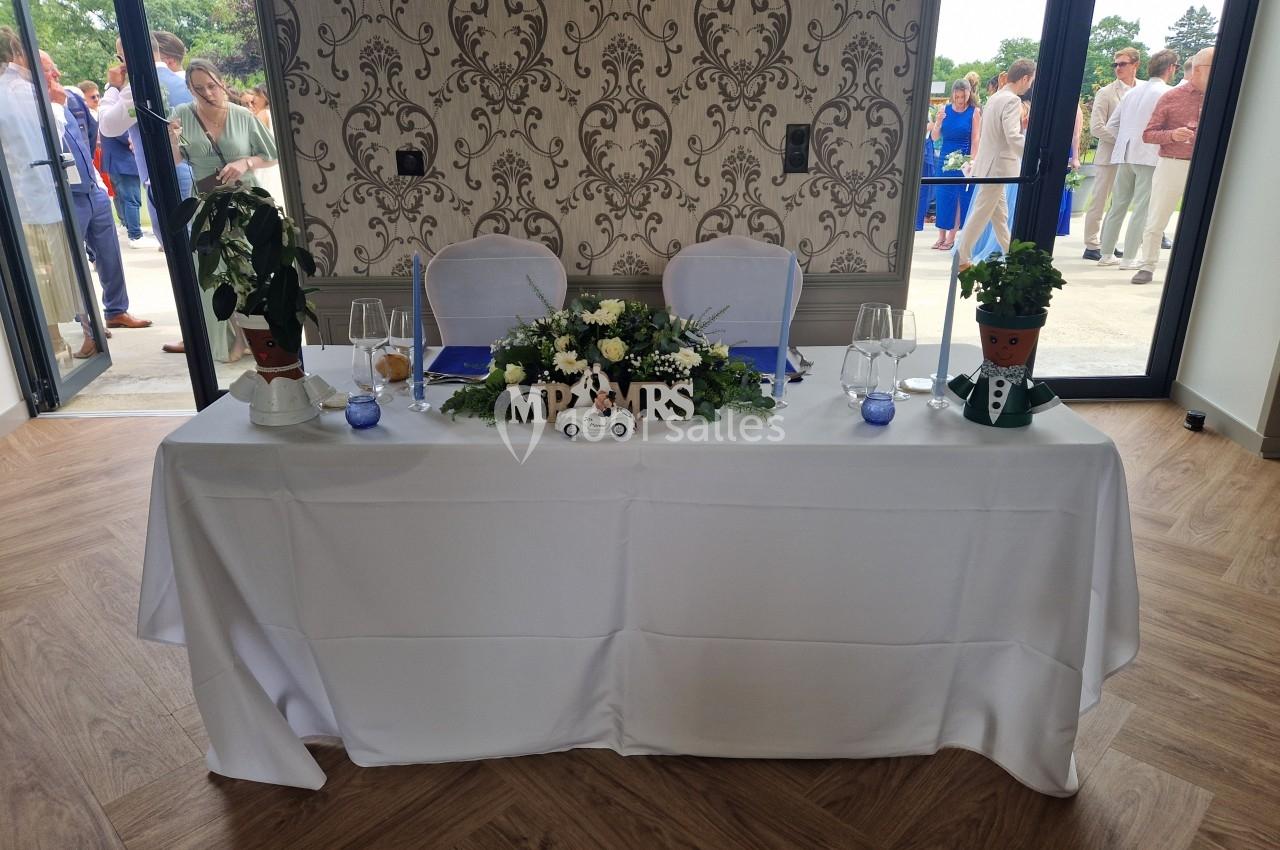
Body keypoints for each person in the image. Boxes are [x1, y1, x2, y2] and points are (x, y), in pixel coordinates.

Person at [40, 50, 152, 347]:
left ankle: (116, 310)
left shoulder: (73, 99)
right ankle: (87, 320)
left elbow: (91, 134)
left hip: (93, 189)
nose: (57, 75)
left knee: (109, 254)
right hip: (64, 195)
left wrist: (90, 172)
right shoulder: (32, 104)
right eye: (50, 70)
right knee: (73, 260)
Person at [169, 58, 279, 361]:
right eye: (199, 88)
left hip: (246, 199)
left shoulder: (243, 115)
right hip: (207, 203)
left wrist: (244, 162)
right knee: (217, 271)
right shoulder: (181, 115)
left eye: (212, 85)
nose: (208, 93)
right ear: (190, 89)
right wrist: (172, 137)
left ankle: (258, 332)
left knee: (250, 265)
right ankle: (236, 338)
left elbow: (271, 155)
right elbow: (175, 160)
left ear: (221, 83)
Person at [0, 27, 81, 362]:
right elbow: (54, 138)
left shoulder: (15, 92)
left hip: (23, 199)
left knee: (36, 276)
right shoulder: (25, 92)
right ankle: (54, 343)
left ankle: (51, 345)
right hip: (39, 196)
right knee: (45, 275)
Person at [98, 32, 194, 249]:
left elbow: (107, 127)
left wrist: (112, 88)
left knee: (178, 247)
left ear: (126, 57)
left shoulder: (138, 89)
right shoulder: (185, 81)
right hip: (199, 171)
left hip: (163, 176)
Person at [1131, 47, 1213, 285]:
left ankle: (1197, 268)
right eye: (1213, 67)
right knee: (1157, 216)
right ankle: (1147, 266)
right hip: (1172, 164)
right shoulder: (1171, 97)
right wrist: (1172, 135)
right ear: (1198, 70)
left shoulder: (1224, 96)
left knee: (1205, 219)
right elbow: (1148, 134)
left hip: (1206, 166)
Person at [1096, 49, 1178, 270]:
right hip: (1149, 154)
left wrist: (1125, 139)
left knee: (1118, 205)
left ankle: (1105, 253)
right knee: (1141, 208)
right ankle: (1129, 258)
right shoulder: (1168, 93)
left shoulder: (1131, 93)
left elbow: (1112, 125)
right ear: (1170, 69)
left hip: (1125, 153)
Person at [955, 59, 1035, 271]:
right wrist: (1031, 155)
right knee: (982, 213)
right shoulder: (1011, 101)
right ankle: (962, 259)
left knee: (1001, 217)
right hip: (998, 167)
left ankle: (1012, 256)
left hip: (990, 165)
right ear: (1025, 78)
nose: (1030, 86)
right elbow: (1012, 136)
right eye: (1031, 81)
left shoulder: (996, 98)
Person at [1081, 47, 1139, 260]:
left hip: (1131, 156)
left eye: (1122, 64)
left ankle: (1108, 242)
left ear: (1135, 65)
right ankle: (1091, 244)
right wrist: (1121, 141)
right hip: (1109, 155)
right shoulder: (1105, 93)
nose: (1117, 68)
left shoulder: (1141, 89)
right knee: (1099, 200)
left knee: (1120, 201)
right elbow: (1096, 128)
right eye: (1115, 64)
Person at [930, 79, 980, 251]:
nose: (960, 100)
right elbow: (935, 137)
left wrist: (972, 161)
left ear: (969, 94)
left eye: (963, 96)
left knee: (958, 197)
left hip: (962, 160)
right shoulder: (944, 110)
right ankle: (940, 236)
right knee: (943, 195)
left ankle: (951, 236)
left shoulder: (974, 112)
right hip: (944, 159)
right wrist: (938, 122)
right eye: (957, 96)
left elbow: (975, 139)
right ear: (952, 95)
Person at [1056, 103, 1084, 237]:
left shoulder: (1075, 108)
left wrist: (1075, 157)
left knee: (1061, 188)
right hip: (1060, 147)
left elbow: (1076, 134)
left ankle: (1057, 222)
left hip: (1067, 150)